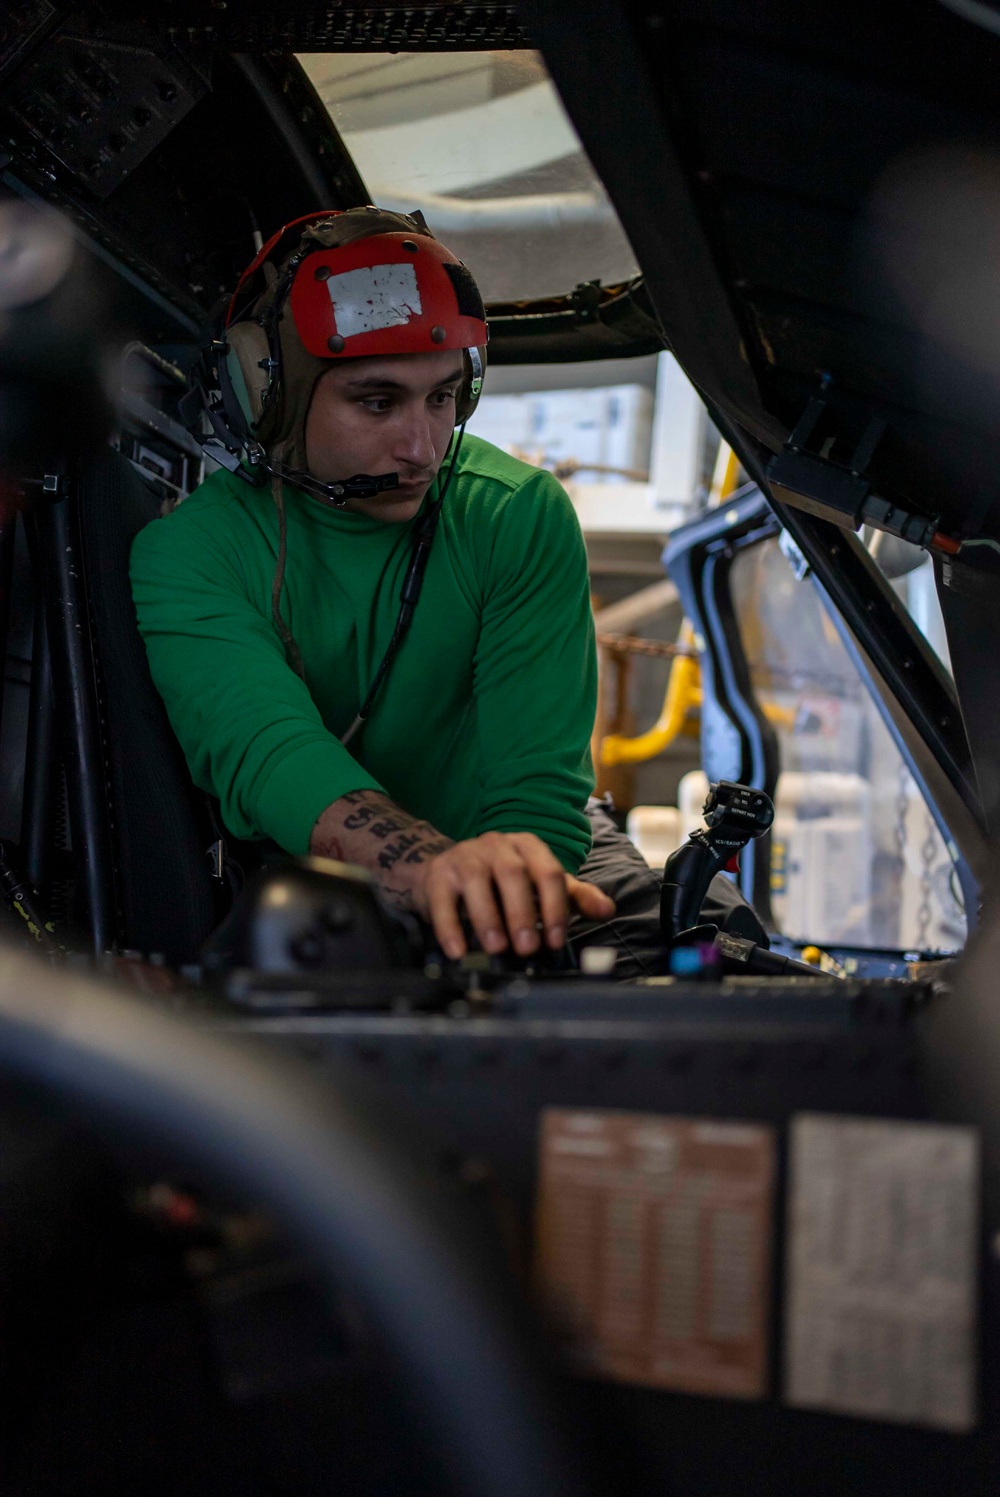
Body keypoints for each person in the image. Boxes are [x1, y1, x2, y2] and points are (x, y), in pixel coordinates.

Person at [131, 206, 761, 975]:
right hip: (322, 867)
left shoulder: (515, 514)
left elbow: (536, 796)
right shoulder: (188, 553)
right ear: (270, 395)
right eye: (377, 401)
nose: (423, 445)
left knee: (710, 958)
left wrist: (493, 885)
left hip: (525, 855)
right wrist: (430, 871)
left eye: (443, 397)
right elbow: (267, 752)